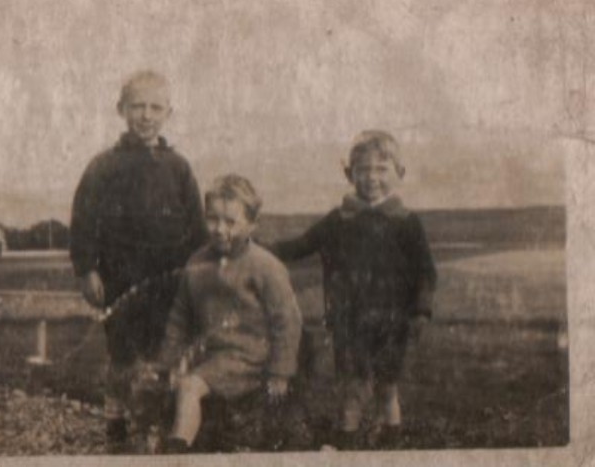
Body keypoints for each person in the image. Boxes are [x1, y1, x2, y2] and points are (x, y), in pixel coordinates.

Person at [272, 130, 437, 449]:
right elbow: (300, 246)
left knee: (387, 387)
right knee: (352, 387)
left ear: (399, 174)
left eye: (381, 169)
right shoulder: (338, 220)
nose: (371, 178)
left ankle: (392, 441)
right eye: (363, 169)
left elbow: (426, 272)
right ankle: (346, 442)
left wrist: (421, 311)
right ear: (350, 174)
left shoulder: (406, 222)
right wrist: (259, 248)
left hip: (394, 323)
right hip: (349, 323)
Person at [69, 70, 207, 443]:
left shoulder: (178, 168)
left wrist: (199, 274)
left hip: (170, 279)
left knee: (167, 352)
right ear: (121, 109)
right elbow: (82, 223)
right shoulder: (103, 167)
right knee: (123, 353)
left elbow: (197, 229)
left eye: (155, 107)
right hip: (120, 279)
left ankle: (158, 424)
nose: (146, 115)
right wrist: (87, 271)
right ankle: (115, 417)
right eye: (138, 106)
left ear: (169, 113)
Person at [158, 174, 303, 453]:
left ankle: (176, 452)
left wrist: (280, 373)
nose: (219, 229)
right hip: (212, 355)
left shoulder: (264, 266)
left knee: (189, 387)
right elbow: (180, 316)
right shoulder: (198, 262)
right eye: (212, 219)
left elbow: (286, 321)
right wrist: (170, 362)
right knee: (169, 385)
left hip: (250, 358)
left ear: (251, 225)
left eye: (231, 222)